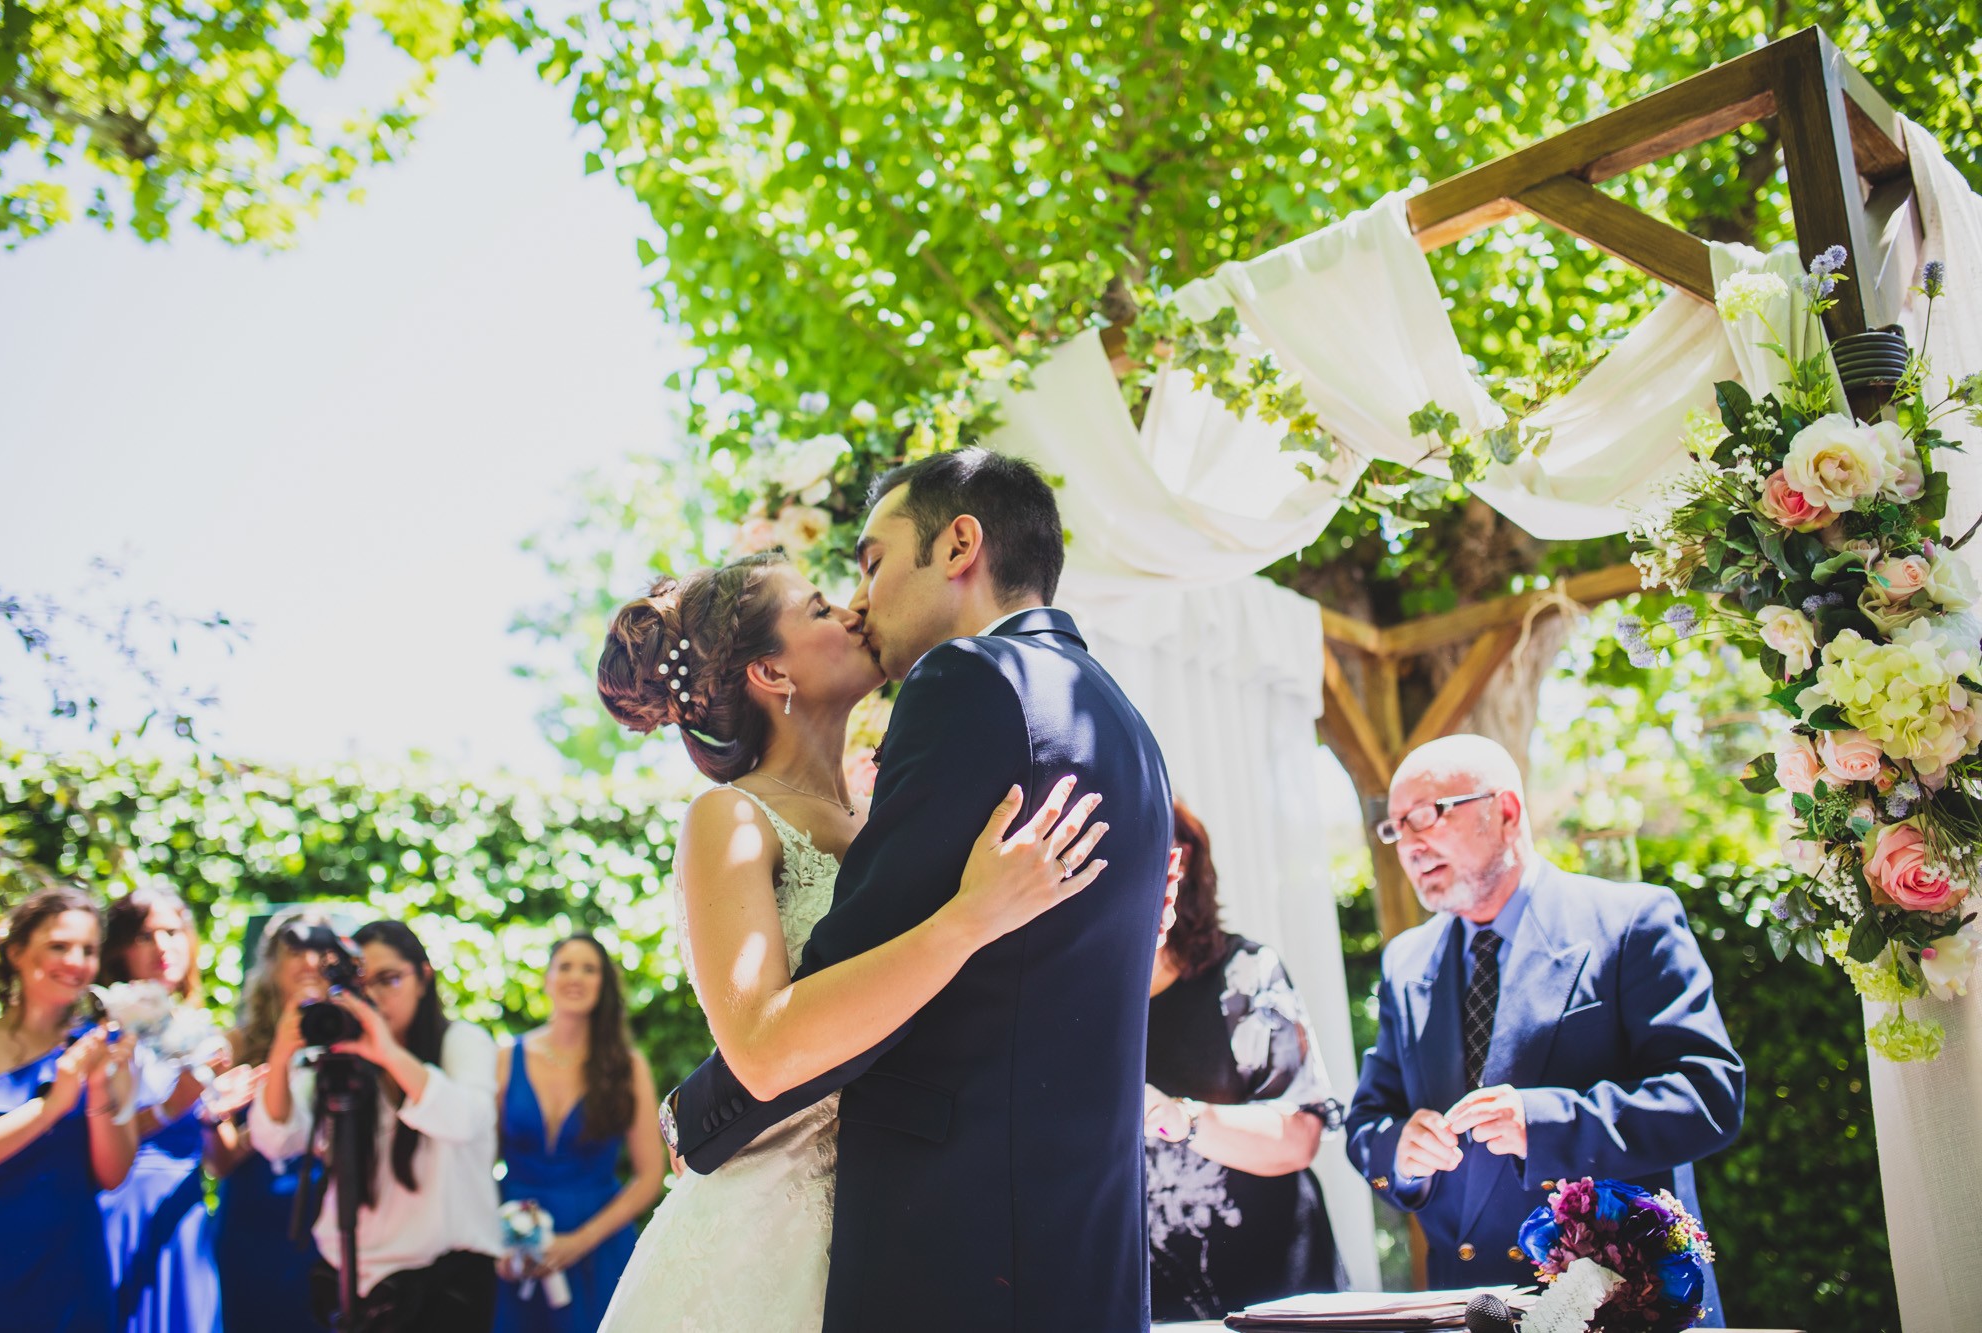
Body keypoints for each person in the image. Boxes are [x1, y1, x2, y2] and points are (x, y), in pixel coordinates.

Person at [637, 447, 1175, 1332]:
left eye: (872, 564)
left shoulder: (969, 682)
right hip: (1040, 1233)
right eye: (823, 602)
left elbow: (842, 989)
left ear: (959, 545)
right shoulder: (1120, 720)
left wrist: (699, 1116)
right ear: (769, 675)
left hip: (958, 1240)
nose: (856, 602)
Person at [1344, 734, 1744, 1322]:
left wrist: (1544, 1123)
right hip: (1469, 1309)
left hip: (1624, 1304)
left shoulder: (1632, 921)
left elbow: (1709, 1095)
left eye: (1427, 815)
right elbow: (1367, 1121)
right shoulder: (1405, 960)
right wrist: (1400, 1149)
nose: (1409, 843)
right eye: (1397, 827)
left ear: (1505, 812)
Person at [250, 918, 502, 1332]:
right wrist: (281, 1055)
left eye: (390, 979)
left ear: (423, 977)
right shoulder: (341, 1053)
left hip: (443, 1286)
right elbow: (277, 1138)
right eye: (364, 983)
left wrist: (387, 1053)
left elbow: (467, 1121)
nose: (376, 995)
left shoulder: (461, 1041)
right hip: (348, 1282)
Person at [1142, 801, 1339, 1321]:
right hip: (1150, 1307)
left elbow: (1299, 1137)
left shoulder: (1244, 974)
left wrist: (1175, 1117)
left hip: (1274, 1296)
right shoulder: (1076, 999)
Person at [0, 885, 140, 1333]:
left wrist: (96, 1088)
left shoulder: (106, 1048)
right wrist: (53, 1106)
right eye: (59, 946)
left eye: (88, 950)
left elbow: (113, 1174)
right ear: (16, 953)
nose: (76, 962)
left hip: (72, 1259)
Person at [494, 934, 665, 1333]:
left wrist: (579, 1241)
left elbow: (649, 1177)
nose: (576, 977)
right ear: (546, 978)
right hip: (517, 1247)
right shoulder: (504, 1059)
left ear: (603, 983)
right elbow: (478, 1164)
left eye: (589, 969)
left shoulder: (627, 1066)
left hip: (598, 1242)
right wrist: (493, 1239)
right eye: (565, 966)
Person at [98, 886, 244, 1333]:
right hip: (117, 1211)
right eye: (146, 935)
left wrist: (215, 1114)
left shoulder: (207, 1034)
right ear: (121, 947)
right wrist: (169, 1107)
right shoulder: (105, 1032)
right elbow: (93, 1136)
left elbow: (221, 1163)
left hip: (184, 1216)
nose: (163, 946)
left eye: (172, 932)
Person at [212, 908, 338, 1333]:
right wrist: (265, 1130)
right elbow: (217, 1163)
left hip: (334, 1224)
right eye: (295, 949)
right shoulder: (237, 1045)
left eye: (322, 949)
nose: (309, 961)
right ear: (270, 963)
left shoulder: (358, 1039)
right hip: (254, 1222)